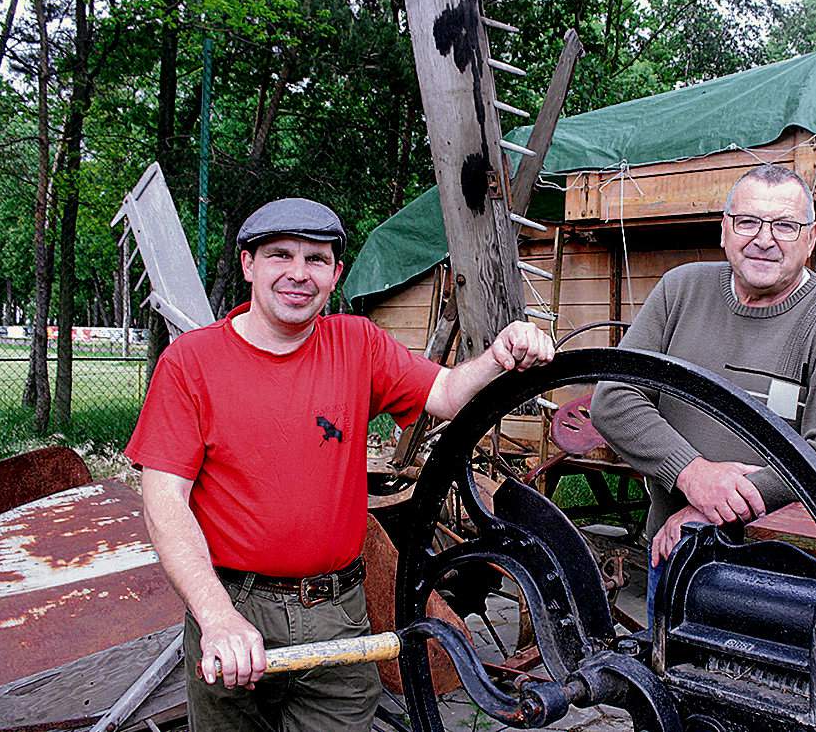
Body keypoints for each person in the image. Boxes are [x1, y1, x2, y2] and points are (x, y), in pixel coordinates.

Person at [125, 198, 554, 731]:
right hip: (234, 606)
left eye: (317, 259)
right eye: (280, 255)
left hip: (339, 612)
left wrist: (498, 355)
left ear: (335, 274)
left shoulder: (356, 346)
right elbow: (164, 502)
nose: (298, 274)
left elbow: (444, 393)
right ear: (248, 264)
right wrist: (216, 618)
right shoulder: (191, 363)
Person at [591, 165, 816, 624]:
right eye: (747, 222)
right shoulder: (680, 290)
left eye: (785, 225)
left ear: (811, 237)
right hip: (675, 555)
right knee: (664, 690)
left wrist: (715, 508)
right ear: (724, 230)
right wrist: (692, 474)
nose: (764, 239)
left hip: (778, 578)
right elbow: (613, 397)